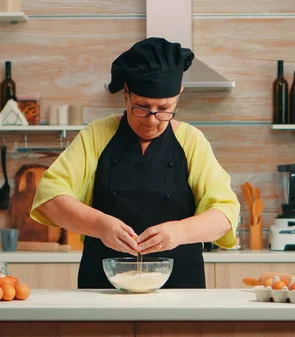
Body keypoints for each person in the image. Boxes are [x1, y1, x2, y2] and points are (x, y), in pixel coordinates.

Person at [29, 37, 240, 289]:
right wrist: (100, 225)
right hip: (103, 290)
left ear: (179, 95)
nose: (152, 120)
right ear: (126, 94)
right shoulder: (96, 135)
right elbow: (49, 199)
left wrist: (180, 232)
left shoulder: (192, 141)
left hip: (182, 290)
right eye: (142, 107)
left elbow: (225, 214)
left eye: (164, 109)